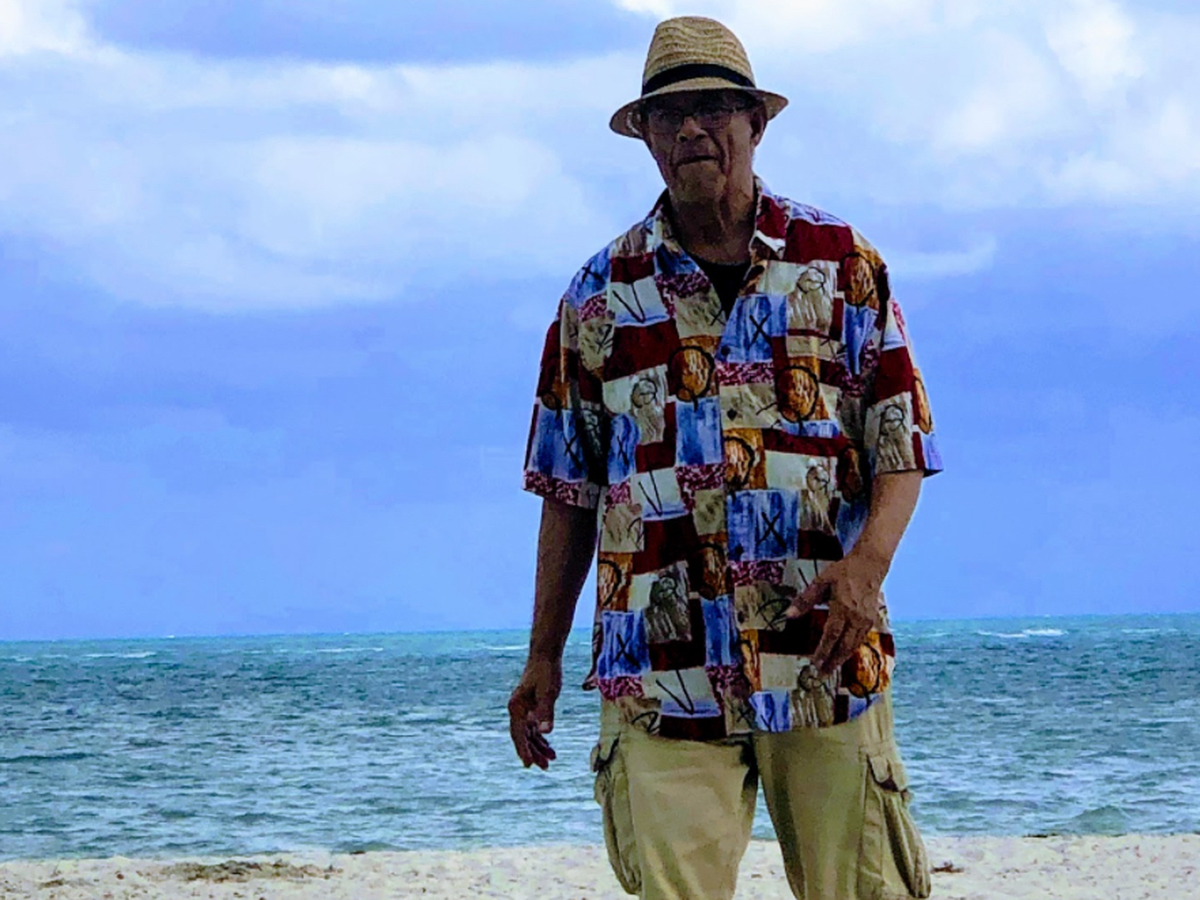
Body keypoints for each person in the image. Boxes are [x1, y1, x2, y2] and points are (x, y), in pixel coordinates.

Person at [509, 15, 943, 900]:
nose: (691, 131)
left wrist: (866, 569)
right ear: (646, 137)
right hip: (657, 669)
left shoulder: (841, 263)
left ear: (755, 123)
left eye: (712, 109)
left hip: (821, 656)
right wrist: (542, 656)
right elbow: (568, 490)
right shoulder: (598, 296)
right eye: (669, 116)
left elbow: (902, 442)